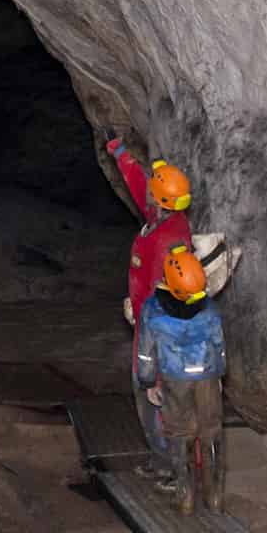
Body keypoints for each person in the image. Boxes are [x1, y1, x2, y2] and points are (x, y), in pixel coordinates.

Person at [106, 136, 192, 458]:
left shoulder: (166, 242)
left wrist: (155, 373)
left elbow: (167, 307)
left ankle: (175, 469)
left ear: (160, 201)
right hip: (148, 319)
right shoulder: (165, 218)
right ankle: (167, 463)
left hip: (157, 331)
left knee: (155, 399)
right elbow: (140, 182)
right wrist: (119, 151)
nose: (148, 196)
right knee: (153, 401)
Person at [135, 244, 228, 515]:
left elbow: (146, 354)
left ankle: (185, 497)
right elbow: (219, 345)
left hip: (175, 379)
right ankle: (215, 497)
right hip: (207, 376)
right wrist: (220, 372)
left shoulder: (153, 310)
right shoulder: (208, 309)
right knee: (211, 430)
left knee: (178, 432)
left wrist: (148, 382)